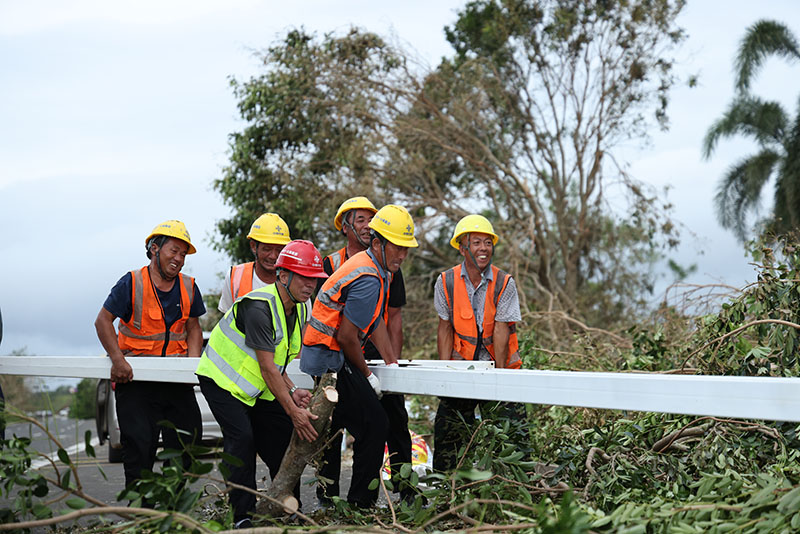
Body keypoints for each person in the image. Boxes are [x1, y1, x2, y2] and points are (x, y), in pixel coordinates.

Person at [196, 240, 327, 529]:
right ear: (283, 276)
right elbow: (267, 367)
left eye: (314, 279)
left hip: (256, 387)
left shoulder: (302, 309)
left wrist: (292, 390)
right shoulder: (259, 307)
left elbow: (277, 364)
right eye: (304, 277)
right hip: (221, 382)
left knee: (279, 436)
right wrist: (294, 410)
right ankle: (242, 516)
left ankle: (290, 506)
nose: (310, 285)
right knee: (242, 439)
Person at [301, 204, 418, 508]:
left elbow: (377, 321)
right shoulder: (368, 276)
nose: (402, 256)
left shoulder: (377, 269)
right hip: (330, 357)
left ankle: (349, 500)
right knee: (374, 424)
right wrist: (368, 376)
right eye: (397, 248)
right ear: (378, 243)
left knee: (370, 418)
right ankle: (359, 504)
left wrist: (392, 362)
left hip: (333, 353)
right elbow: (347, 337)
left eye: (406, 249)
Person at [94, 220, 205, 492]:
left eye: (183, 254)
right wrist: (118, 361)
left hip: (175, 381)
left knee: (187, 443)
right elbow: (103, 321)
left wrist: (191, 367)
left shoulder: (189, 286)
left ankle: (173, 508)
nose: (178, 259)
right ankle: (142, 512)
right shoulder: (131, 282)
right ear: (155, 249)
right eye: (173, 251)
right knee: (139, 448)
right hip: (136, 382)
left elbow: (193, 328)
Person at [432, 214, 523, 472]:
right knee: (449, 430)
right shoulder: (446, 282)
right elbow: (445, 328)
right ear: (462, 248)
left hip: (498, 367)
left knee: (511, 434)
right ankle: (446, 487)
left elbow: (502, 331)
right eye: (476, 243)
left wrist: (500, 377)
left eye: (488, 243)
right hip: (462, 369)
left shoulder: (504, 282)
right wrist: (444, 373)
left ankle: (511, 485)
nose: (484, 249)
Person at [218, 213, 291, 313]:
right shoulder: (235, 277)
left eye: (279, 250)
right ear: (253, 246)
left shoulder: (295, 281)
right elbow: (226, 323)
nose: (273, 256)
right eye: (267, 249)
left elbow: (305, 324)